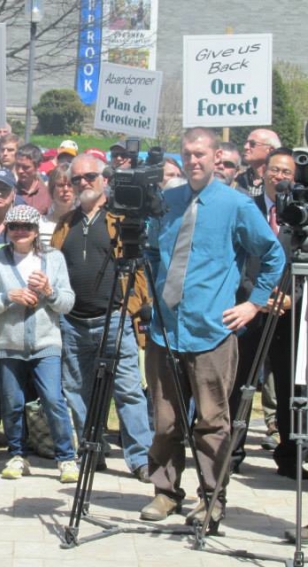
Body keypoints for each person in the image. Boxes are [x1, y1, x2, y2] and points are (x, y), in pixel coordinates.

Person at [140, 127, 285, 524]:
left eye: (201, 153)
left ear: (216, 155)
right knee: (166, 421)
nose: (193, 161)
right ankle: (166, 492)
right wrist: (153, 296)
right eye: (187, 154)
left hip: (212, 332)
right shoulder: (167, 201)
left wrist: (254, 305)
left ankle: (212, 500)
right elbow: (151, 250)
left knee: (212, 423)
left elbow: (273, 256)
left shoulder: (236, 205)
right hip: (165, 332)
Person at [50, 153, 153, 482]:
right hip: (74, 322)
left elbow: (138, 269)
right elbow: (52, 266)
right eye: (75, 179)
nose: (82, 183)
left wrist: (130, 306)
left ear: (104, 178)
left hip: (114, 319)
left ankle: (140, 458)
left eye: (88, 177)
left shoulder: (119, 219)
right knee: (77, 390)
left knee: (128, 391)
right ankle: (92, 451)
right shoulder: (65, 224)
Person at [0, 205, 78, 483]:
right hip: (7, 343)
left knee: (53, 399)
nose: (20, 231)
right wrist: (8, 297)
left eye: (26, 227)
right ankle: (16, 454)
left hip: (46, 342)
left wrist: (49, 291)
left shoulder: (54, 259)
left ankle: (66, 457)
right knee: (12, 402)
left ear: (36, 231)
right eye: (14, 226)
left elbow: (68, 303)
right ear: (7, 230)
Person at [229, 149, 295, 474]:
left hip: (290, 316)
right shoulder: (247, 210)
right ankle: (231, 454)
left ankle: (290, 456)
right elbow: (236, 259)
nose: (280, 176)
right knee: (241, 386)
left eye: (286, 172)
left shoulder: (300, 215)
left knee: (288, 388)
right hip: (251, 313)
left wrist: (291, 298)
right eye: (275, 170)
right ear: (263, 173)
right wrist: (256, 297)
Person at [39, 163, 75, 247]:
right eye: (60, 185)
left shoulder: (81, 224)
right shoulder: (39, 224)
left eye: (70, 185)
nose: (66, 189)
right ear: (52, 189)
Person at [237, 128, 280, 196]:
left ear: (270, 150)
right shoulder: (240, 179)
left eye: (252, 144)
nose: (246, 147)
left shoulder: (278, 180)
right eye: (246, 143)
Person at [15, 144, 51, 214]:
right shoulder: (10, 191)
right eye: (17, 166)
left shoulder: (47, 194)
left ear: (37, 166)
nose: (20, 171)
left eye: (26, 167)